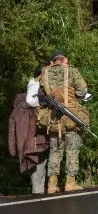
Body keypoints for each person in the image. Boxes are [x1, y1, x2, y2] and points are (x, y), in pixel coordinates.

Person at [41, 50, 89, 193]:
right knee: (72, 149)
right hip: (71, 117)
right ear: (64, 60)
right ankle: (70, 183)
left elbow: (43, 95)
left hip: (53, 118)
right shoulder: (72, 71)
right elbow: (82, 91)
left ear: (52, 61)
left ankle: (51, 184)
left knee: (55, 151)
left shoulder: (45, 73)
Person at [8, 62, 50, 194]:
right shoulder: (30, 104)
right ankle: (38, 205)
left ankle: (39, 203)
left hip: (36, 145)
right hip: (36, 145)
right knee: (38, 178)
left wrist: (14, 149)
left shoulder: (21, 107)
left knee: (40, 177)